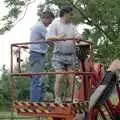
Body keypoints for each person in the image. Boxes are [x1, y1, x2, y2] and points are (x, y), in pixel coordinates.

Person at [46, 6, 83, 103]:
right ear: (65, 14)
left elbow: (78, 35)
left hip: (71, 55)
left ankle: (75, 99)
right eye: (70, 14)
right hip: (59, 55)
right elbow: (48, 38)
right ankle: (57, 99)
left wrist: (79, 36)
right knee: (60, 76)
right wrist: (59, 37)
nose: (72, 16)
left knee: (72, 79)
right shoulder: (55, 24)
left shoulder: (72, 26)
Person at [29, 11, 55, 102]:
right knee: (37, 79)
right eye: (50, 21)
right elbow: (50, 40)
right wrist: (60, 48)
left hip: (38, 55)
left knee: (40, 79)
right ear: (46, 18)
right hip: (37, 54)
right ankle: (35, 103)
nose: (50, 24)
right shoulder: (40, 27)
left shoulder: (38, 26)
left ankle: (38, 101)